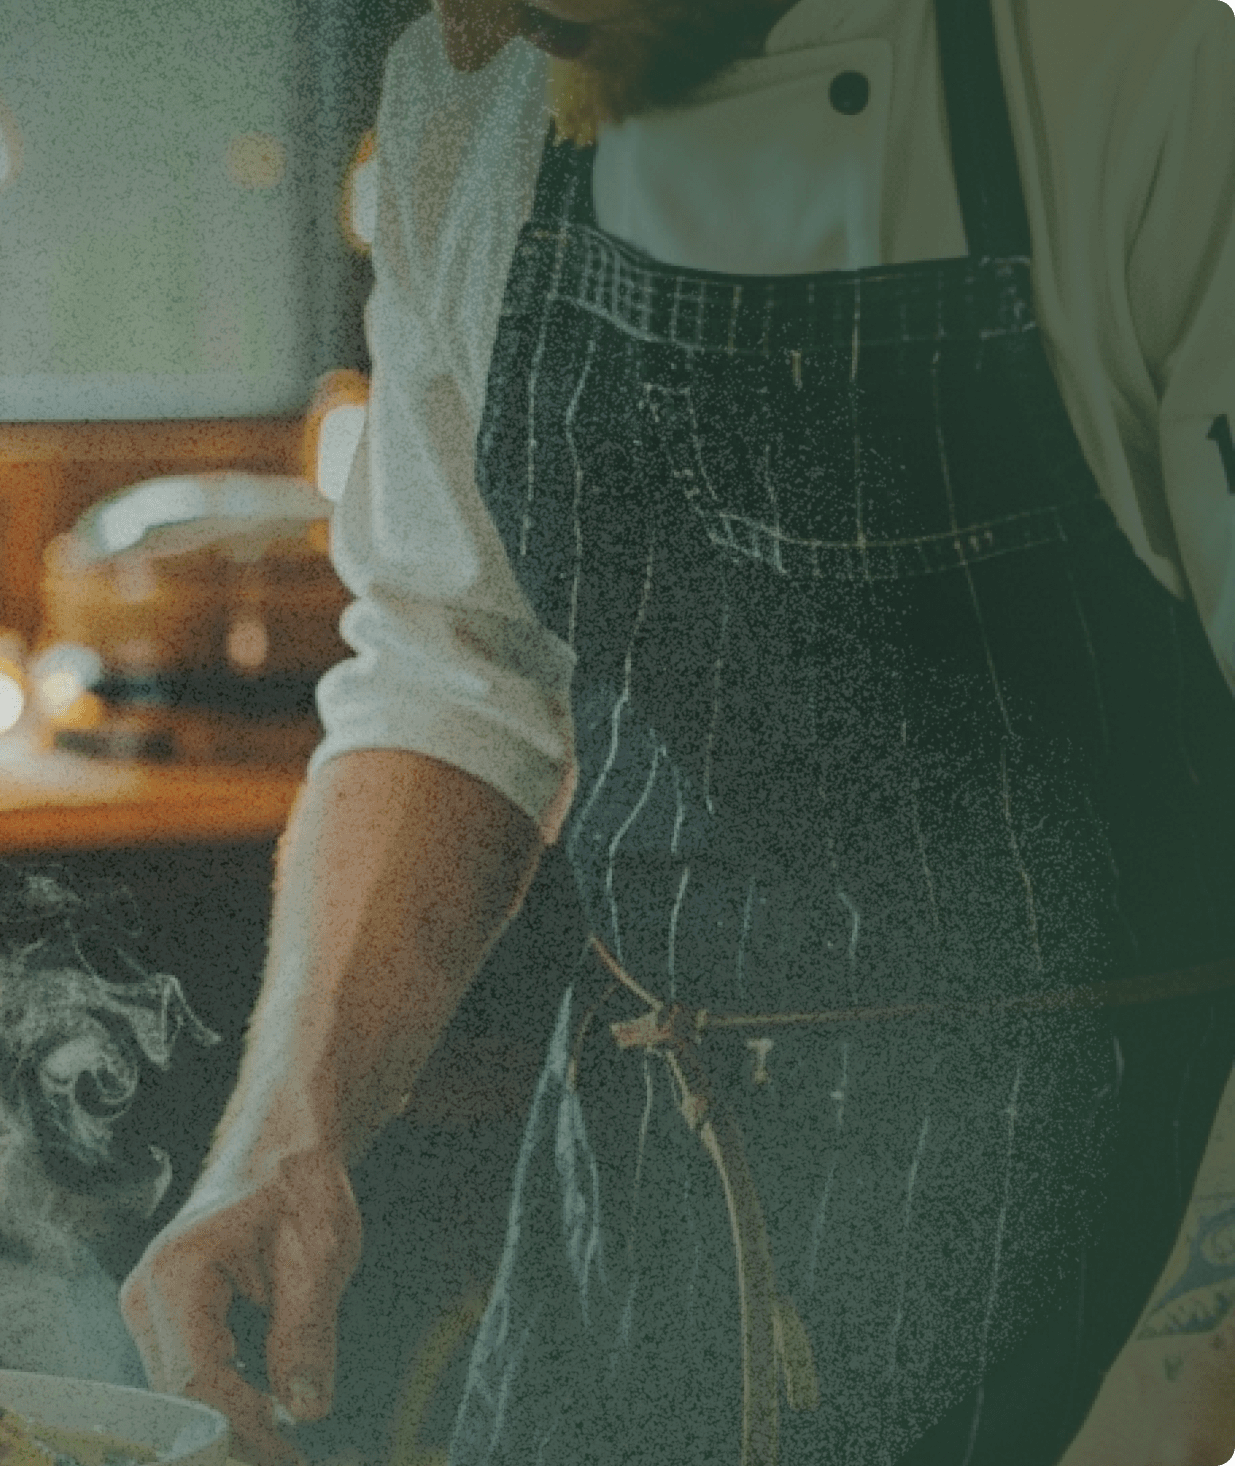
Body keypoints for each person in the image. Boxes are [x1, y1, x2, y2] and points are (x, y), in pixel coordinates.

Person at [117, 0, 1235, 1462]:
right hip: (630, 1230)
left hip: (1110, 1251)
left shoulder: (1150, 72)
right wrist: (286, 1134)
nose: (462, 30)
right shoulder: (475, 99)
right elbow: (453, 665)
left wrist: (1187, 1373)